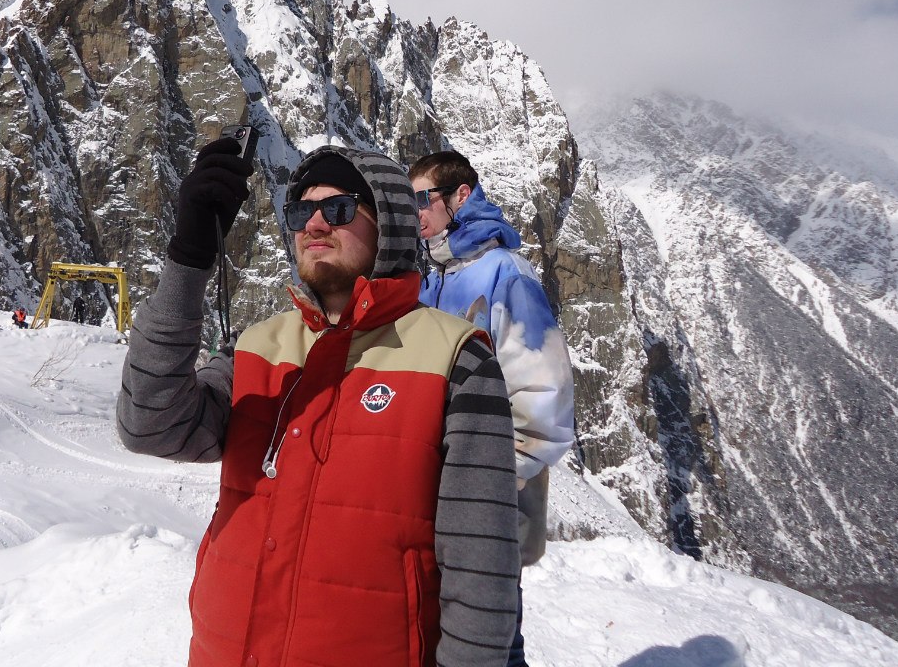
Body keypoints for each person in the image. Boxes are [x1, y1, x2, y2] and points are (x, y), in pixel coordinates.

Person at [117, 139, 521, 667]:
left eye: (338, 209)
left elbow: (481, 571)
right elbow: (149, 425)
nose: (313, 224)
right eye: (300, 211)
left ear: (390, 223)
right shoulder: (257, 349)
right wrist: (189, 258)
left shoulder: (457, 359)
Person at [409, 149, 576, 667]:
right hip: (439, 496)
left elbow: (545, 395)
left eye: (423, 198)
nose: (415, 211)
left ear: (461, 196)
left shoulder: (505, 273)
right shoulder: (433, 278)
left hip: (491, 503)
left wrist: (494, 477)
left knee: (494, 641)